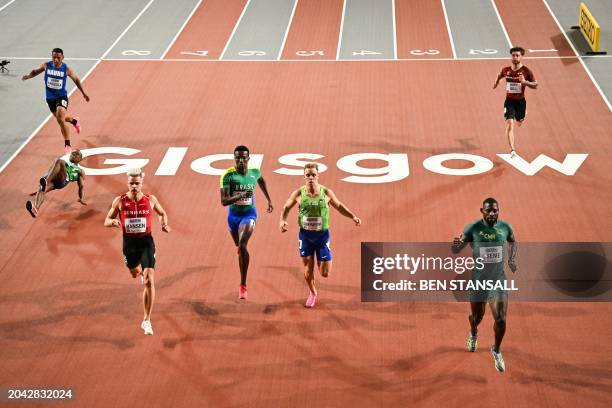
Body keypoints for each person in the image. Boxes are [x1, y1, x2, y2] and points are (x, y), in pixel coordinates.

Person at [279, 163, 361, 308]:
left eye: (313, 175)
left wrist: (352, 216)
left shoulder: (326, 193)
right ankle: (313, 292)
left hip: (322, 236)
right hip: (305, 236)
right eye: (308, 175)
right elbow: (286, 208)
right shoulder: (298, 194)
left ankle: (322, 257)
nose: (310, 177)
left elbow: (339, 206)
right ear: (304, 176)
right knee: (308, 269)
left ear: (318, 176)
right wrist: (282, 221)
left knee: (324, 273)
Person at [452, 197, 518, 372]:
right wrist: (456, 245)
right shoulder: (473, 228)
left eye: (495, 210)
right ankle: (473, 331)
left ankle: (496, 350)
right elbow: (456, 248)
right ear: (482, 211)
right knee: (477, 317)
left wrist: (511, 259)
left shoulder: (505, 228)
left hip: (498, 280)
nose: (492, 213)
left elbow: (513, 241)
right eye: (488, 210)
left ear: (498, 211)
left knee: (501, 319)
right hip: (479, 280)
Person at [104, 168, 170, 335]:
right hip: (129, 245)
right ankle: (139, 273)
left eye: (137, 183)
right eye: (131, 183)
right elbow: (107, 219)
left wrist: (164, 224)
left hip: (147, 242)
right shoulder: (119, 201)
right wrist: (112, 223)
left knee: (149, 280)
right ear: (128, 183)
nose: (134, 186)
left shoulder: (150, 199)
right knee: (135, 273)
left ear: (142, 182)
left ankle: (146, 320)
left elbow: (162, 213)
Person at [220, 146, 273, 300]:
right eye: (238, 158)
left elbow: (262, 181)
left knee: (243, 245)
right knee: (239, 247)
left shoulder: (254, 173)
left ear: (248, 159)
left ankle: (243, 284)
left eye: (244, 158)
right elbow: (224, 201)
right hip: (233, 217)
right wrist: (241, 195)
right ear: (234, 159)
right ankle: (241, 252)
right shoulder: (228, 176)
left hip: (249, 214)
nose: (241, 161)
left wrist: (269, 200)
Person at [22, 48, 90, 153]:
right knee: (61, 118)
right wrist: (28, 76)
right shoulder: (46, 66)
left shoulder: (66, 68)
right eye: (54, 57)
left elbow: (76, 79)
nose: (56, 60)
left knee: (60, 119)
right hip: (50, 98)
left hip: (61, 97)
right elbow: (35, 71)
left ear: (63, 57)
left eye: (58, 57)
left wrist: (84, 93)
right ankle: (74, 121)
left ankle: (67, 144)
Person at [493, 47, 538, 158]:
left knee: (519, 122)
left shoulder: (526, 71)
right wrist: (496, 83)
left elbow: (536, 85)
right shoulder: (506, 69)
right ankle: (512, 150)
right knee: (510, 123)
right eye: (513, 55)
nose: (515, 57)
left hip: (521, 102)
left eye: (517, 55)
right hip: (509, 101)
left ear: (521, 56)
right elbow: (499, 75)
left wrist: (525, 82)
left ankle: (522, 116)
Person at [26, 149, 86, 218]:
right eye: (73, 153)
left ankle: (46, 182)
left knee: (59, 161)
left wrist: (80, 198)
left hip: (63, 179)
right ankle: (35, 209)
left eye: (76, 154)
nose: (73, 154)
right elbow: (50, 170)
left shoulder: (80, 171)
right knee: (41, 190)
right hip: (53, 178)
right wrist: (40, 186)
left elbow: (81, 186)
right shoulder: (64, 162)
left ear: (80, 159)